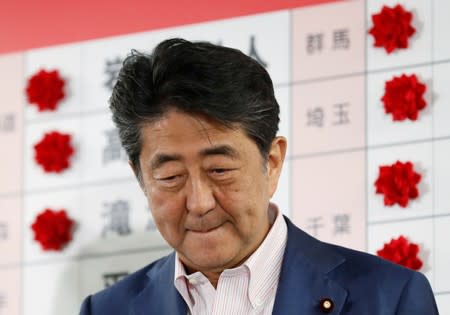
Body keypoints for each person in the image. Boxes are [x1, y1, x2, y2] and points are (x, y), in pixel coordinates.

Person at [80, 38, 438, 315]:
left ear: (273, 161)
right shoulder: (107, 310)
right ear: (141, 177)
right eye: (171, 176)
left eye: (219, 170)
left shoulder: (388, 299)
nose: (200, 203)